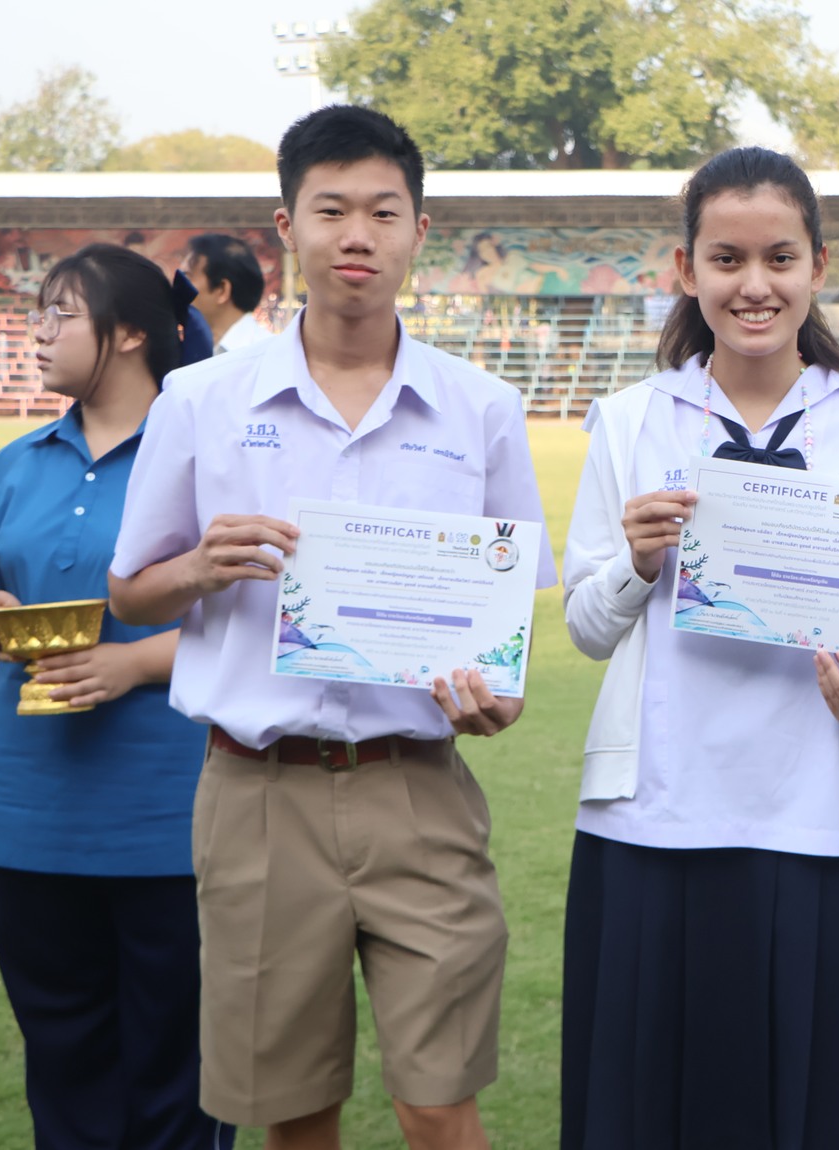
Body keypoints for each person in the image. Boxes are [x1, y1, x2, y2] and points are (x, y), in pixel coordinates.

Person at [107, 105, 553, 1150]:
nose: (358, 235)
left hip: (418, 788)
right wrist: (198, 566)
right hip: (259, 793)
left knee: (438, 1102)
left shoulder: (480, 409)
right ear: (287, 227)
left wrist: (493, 704)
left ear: (418, 232)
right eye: (332, 209)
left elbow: (503, 647)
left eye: (384, 213)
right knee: (293, 1110)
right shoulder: (200, 400)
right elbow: (130, 594)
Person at [558, 145, 839, 1150]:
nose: (754, 285)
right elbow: (587, 627)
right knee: (659, 1109)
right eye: (726, 259)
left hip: (830, 822)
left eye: (779, 258)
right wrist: (636, 562)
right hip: (659, 820)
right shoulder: (630, 423)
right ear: (684, 269)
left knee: (838, 1110)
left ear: (818, 264)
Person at [0, 243, 229, 1148]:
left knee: (176, 1066)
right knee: (63, 1056)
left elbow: (269, 627)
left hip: (169, 816)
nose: (37, 332)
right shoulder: (16, 463)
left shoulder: (208, 462)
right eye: (38, 313)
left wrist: (132, 666)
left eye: (58, 314)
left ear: (132, 332)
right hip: (28, 811)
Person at [183, 233, 270, 353]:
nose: (179, 288)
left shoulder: (269, 352)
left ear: (222, 290)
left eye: (188, 278)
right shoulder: (193, 351)